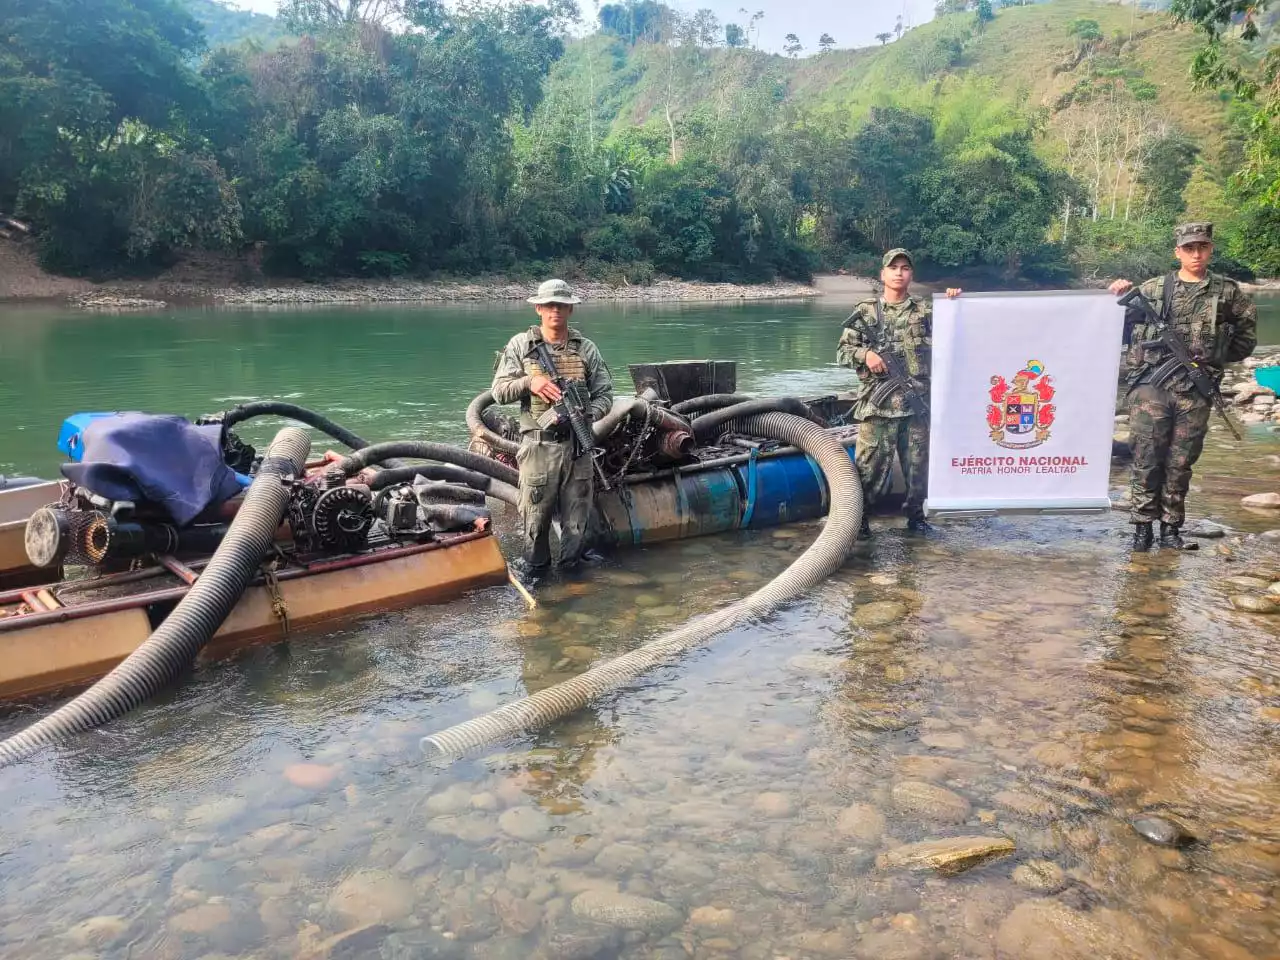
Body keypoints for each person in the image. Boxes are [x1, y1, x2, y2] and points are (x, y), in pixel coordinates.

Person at [1108, 222, 1257, 553]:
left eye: (1202, 247)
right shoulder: (1152, 289)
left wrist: (1212, 360)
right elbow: (1114, 327)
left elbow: (1246, 338)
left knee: (1180, 462)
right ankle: (1142, 530)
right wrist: (1115, 294)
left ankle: (1171, 530)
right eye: (1189, 248)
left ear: (1210, 249)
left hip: (1195, 391)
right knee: (1146, 459)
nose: (1196, 254)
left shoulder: (1227, 291)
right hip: (1150, 389)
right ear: (1178, 252)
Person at [491, 279, 615, 573]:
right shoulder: (522, 345)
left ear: (570, 309)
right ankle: (537, 574)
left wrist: (586, 414)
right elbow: (498, 391)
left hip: (577, 445)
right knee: (535, 516)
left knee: (577, 516)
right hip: (538, 445)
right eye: (549, 305)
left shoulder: (586, 349)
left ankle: (571, 575)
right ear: (538, 308)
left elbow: (605, 395)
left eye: (560, 305)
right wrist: (530, 382)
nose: (554, 311)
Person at [838, 248, 959, 537]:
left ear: (911, 274)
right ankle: (860, 521)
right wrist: (866, 354)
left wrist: (954, 303)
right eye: (893, 267)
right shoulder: (866, 311)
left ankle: (916, 518)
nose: (899, 272)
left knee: (918, 468)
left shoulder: (926, 311)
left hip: (916, 406)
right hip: (877, 407)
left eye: (905, 268)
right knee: (869, 468)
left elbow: (954, 333)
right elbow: (843, 351)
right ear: (882, 274)